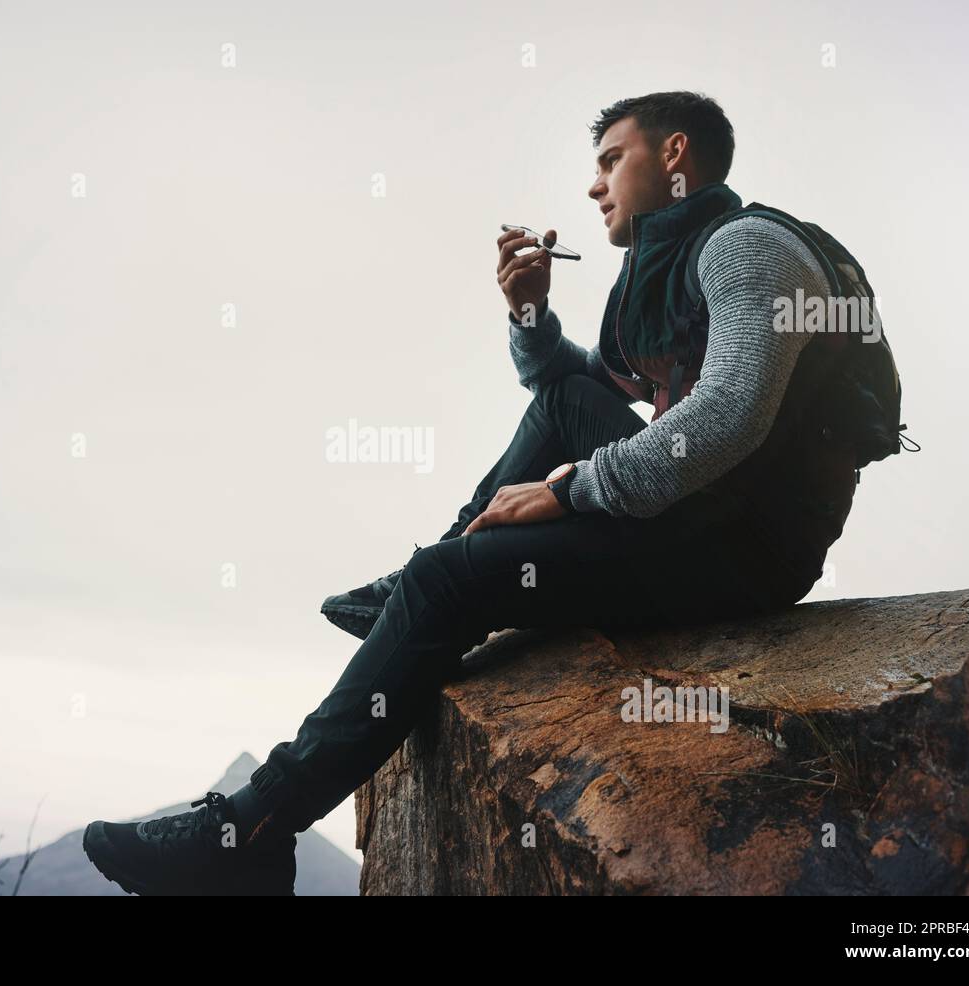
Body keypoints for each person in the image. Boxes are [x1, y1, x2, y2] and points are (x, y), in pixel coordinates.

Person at [82, 90, 860, 895]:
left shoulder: (748, 248)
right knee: (549, 419)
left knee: (444, 586)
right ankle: (442, 564)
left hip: (746, 545)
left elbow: (728, 418)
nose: (595, 188)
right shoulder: (665, 264)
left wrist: (573, 491)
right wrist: (530, 318)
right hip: (703, 509)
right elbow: (580, 391)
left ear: (673, 154)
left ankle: (250, 829)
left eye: (609, 161)